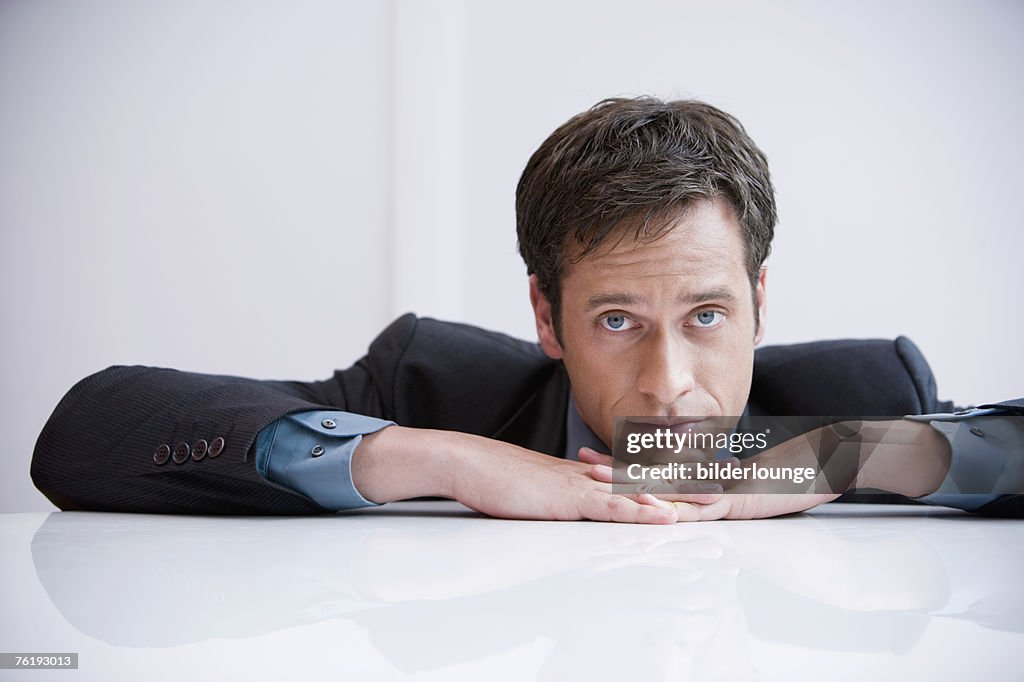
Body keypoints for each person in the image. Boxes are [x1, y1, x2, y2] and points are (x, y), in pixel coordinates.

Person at [30, 97, 1023, 522]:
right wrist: (446, 460)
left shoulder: (863, 396)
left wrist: (847, 454)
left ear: (760, 302)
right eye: (617, 320)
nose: (670, 385)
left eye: (709, 316)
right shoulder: (434, 383)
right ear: (546, 317)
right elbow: (87, 428)